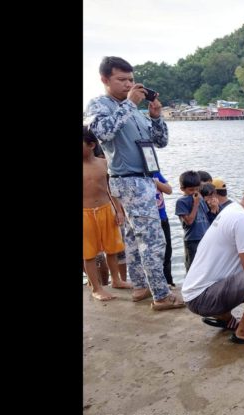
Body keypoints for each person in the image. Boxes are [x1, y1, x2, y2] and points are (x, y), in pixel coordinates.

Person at [84, 56, 183, 310]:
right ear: (105, 80)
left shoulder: (135, 110)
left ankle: (140, 286)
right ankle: (161, 295)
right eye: (121, 79)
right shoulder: (99, 105)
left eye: (131, 79)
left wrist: (156, 116)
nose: (128, 84)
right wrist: (129, 105)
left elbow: (159, 142)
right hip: (128, 181)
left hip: (143, 179)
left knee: (133, 238)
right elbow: (102, 132)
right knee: (152, 239)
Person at [181, 185, 244, 344]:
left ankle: (225, 318)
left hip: (193, 293)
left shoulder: (232, 209)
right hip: (203, 298)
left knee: (238, 271)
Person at [83, 124, 132, 300]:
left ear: (91, 145)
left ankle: (116, 280)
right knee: (88, 253)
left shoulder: (104, 163)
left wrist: (119, 211)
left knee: (112, 248)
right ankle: (96, 288)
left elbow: (112, 191)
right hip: (85, 213)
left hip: (106, 209)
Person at [175, 171, 212, 271]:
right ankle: (190, 286)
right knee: (192, 267)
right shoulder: (181, 202)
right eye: (191, 190)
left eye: (197, 189)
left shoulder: (199, 197)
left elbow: (207, 216)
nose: (195, 192)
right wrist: (195, 204)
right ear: (182, 189)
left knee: (206, 266)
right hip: (192, 239)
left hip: (205, 237)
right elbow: (189, 221)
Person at [152, 171, 174, 287]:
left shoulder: (155, 173)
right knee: (153, 253)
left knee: (167, 252)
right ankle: (156, 284)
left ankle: (168, 282)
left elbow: (169, 190)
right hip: (149, 221)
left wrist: (155, 181)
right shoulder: (135, 175)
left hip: (162, 218)